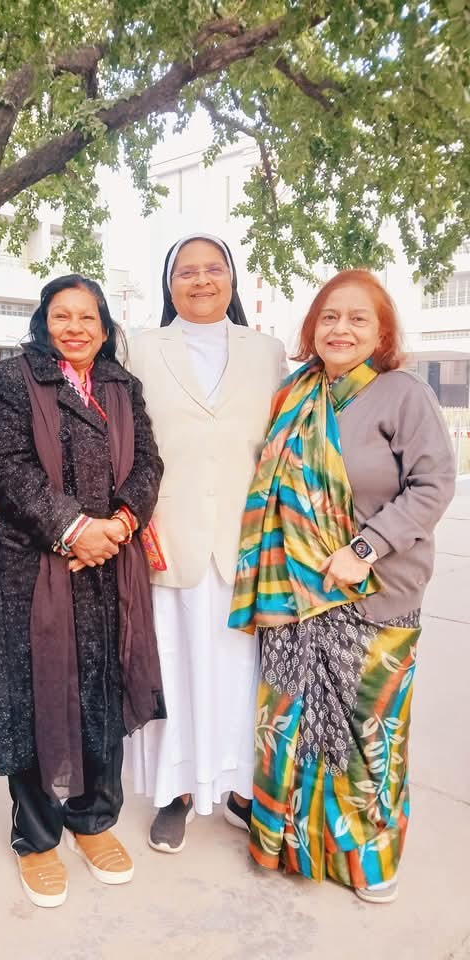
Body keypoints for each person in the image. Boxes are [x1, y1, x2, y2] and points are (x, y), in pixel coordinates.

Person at [229, 269, 456, 903]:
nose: (341, 329)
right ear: (312, 328)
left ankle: (367, 858)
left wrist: (364, 549)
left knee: (367, 735)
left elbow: (433, 486)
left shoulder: (401, 394)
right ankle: (287, 842)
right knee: (291, 726)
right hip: (293, 594)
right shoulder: (294, 394)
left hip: (375, 592)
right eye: (329, 317)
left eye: (359, 318)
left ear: (382, 333)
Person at [0, 274, 165, 908]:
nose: (75, 328)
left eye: (87, 317)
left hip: (110, 565)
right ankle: (37, 835)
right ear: (43, 322)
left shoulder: (122, 386)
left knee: (102, 689)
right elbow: (8, 468)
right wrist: (75, 530)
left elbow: (148, 463)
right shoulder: (11, 379)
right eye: (62, 316)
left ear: (105, 326)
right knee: (35, 696)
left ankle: (94, 820)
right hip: (32, 568)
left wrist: (119, 525)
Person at [125, 233, 287, 853]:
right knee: (174, 667)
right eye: (186, 271)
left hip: (247, 539)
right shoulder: (139, 348)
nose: (201, 280)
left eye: (213, 269)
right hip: (168, 537)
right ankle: (176, 791)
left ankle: (241, 788)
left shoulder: (267, 351)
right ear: (169, 285)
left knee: (242, 673)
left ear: (231, 278)